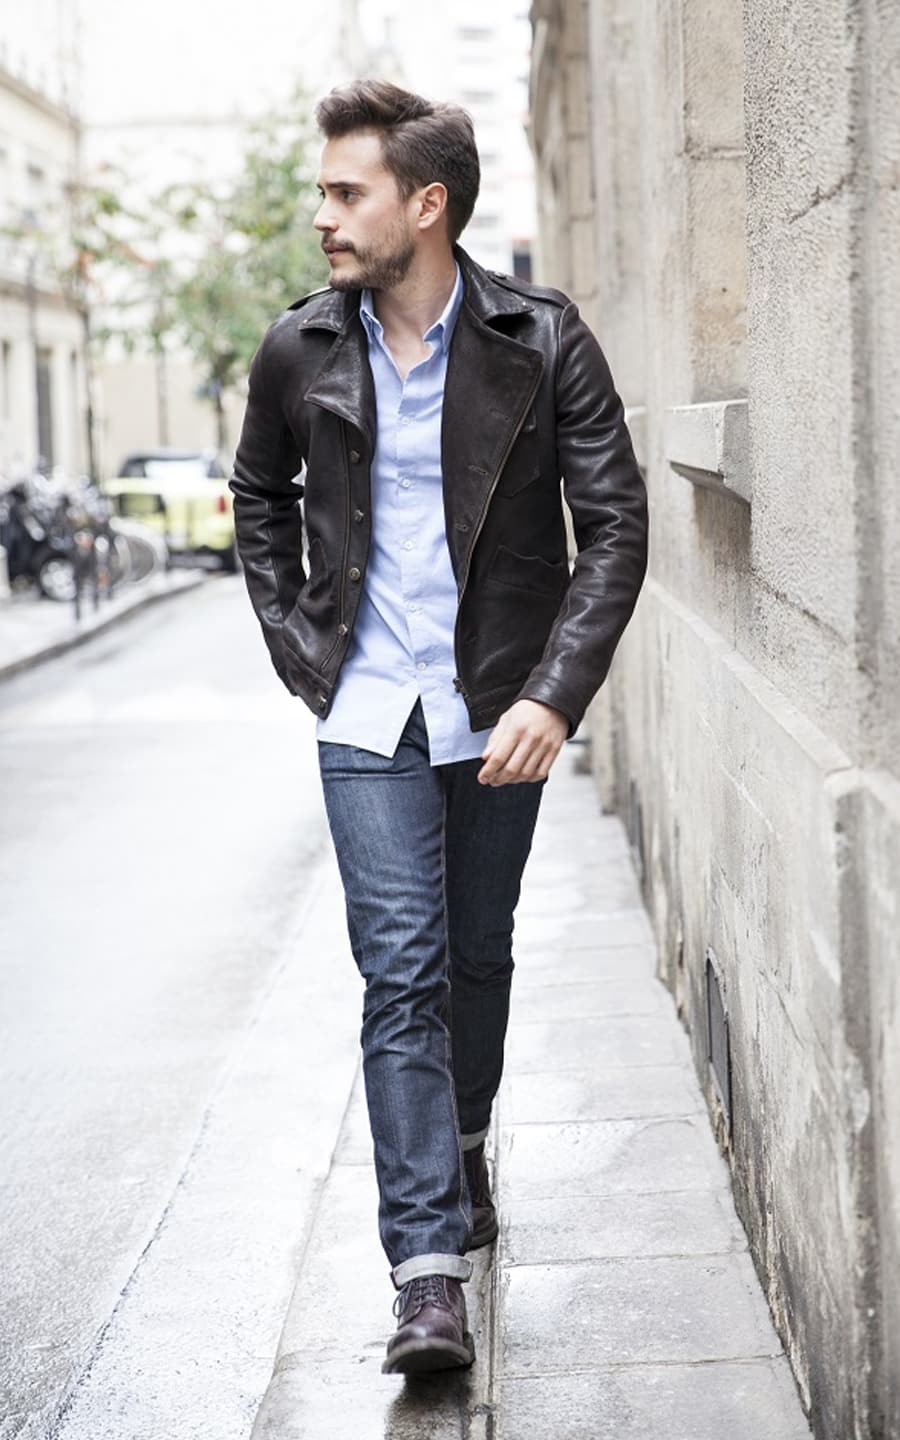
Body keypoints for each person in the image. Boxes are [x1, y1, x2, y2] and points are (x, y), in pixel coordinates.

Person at [230, 78, 648, 1376]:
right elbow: (259, 495)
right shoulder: (299, 348)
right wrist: (301, 647)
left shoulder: (542, 337)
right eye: (322, 192)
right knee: (400, 972)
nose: (323, 216)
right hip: (366, 714)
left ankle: (465, 1145)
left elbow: (615, 527)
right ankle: (425, 1276)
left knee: (476, 953)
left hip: (499, 709)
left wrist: (552, 693)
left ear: (426, 204)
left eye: (345, 192)